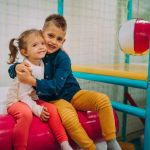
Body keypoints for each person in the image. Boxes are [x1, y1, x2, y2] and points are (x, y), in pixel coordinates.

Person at [9, 14, 122, 150]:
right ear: (41, 33)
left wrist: (32, 80)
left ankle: (111, 141)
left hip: (73, 94)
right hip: (55, 100)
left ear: (63, 41)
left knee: (103, 100)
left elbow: (57, 86)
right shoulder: (37, 54)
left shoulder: (63, 58)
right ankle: (90, 147)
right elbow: (20, 65)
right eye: (50, 36)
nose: (53, 41)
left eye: (59, 39)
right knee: (69, 119)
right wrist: (15, 67)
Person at [6, 29, 73, 150]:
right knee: (26, 114)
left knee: (52, 109)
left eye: (42, 43)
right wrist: (37, 109)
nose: (41, 47)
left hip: (32, 98)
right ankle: (20, 147)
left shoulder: (42, 62)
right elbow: (23, 96)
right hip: (17, 100)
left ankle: (64, 143)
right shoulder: (26, 68)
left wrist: (62, 51)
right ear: (25, 52)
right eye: (35, 45)